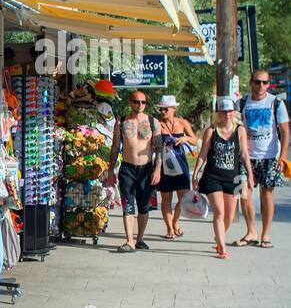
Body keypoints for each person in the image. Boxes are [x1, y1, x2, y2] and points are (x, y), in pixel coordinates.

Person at [193, 98, 254, 259]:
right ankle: (222, 247)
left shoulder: (240, 130)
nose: (227, 114)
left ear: (234, 112)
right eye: (224, 111)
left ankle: (218, 237)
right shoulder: (211, 131)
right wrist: (195, 174)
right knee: (219, 212)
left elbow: (244, 154)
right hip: (213, 176)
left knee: (229, 215)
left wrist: (250, 175)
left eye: (229, 111)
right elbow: (202, 155)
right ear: (218, 113)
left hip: (233, 178)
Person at [234, 69, 289, 247]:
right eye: (257, 82)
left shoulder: (276, 103)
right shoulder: (242, 103)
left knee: (267, 194)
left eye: (265, 83)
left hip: (269, 155)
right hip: (246, 156)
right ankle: (251, 232)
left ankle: (265, 234)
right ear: (251, 82)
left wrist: (282, 157)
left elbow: (285, 131)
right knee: (243, 192)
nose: (261, 86)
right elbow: (234, 127)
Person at [108, 91, 162, 253]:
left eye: (143, 102)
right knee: (127, 205)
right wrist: (110, 170)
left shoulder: (153, 122)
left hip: (146, 169)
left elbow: (159, 148)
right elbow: (115, 147)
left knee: (144, 206)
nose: (140, 105)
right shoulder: (122, 122)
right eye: (137, 102)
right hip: (127, 168)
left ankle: (140, 239)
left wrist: (158, 169)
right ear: (130, 103)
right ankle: (129, 240)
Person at [154, 95, 197, 239]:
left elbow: (195, 141)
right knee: (166, 198)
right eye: (161, 109)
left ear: (173, 109)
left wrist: (185, 138)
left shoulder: (182, 122)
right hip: (165, 162)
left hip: (180, 161)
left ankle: (175, 222)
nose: (163, 112)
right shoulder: (158, 124)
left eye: (166, 109)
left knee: (184, 196)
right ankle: (169, 229)